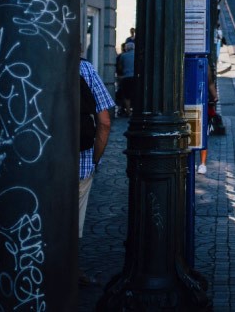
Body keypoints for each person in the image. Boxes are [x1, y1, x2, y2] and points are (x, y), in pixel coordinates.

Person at [78, 58, 114, 286]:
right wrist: (94, 160)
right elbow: (105, 122)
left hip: (34, 162)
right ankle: (70, 271)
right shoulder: (85, 68)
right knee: (73, 221)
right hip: (79, 161)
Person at [117, 41, 136, 116]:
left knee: (126, 96)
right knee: (135, 94)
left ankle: (128, 112)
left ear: (126, 48)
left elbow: (120, 67)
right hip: (135, 77)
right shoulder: (136, 55)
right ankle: (135, 111)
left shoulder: (123, 56)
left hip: (126, 77)